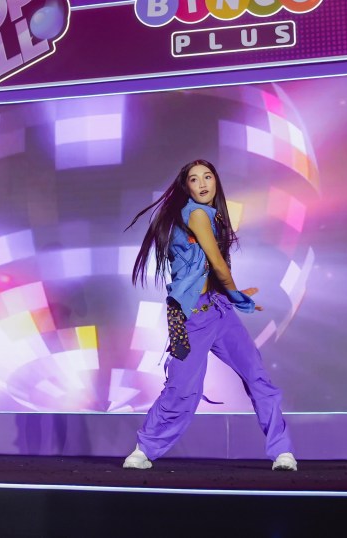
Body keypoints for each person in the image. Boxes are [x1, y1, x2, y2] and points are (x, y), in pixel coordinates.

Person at [122, 159, 297, 471]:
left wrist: (229, 296)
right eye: (194, 179)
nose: (202, 184)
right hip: (188, 317)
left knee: (257, 376)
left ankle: (282, 452)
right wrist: (237, 294)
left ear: (216, 181)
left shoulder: (212, 216)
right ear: (186, 186)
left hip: (218, 309)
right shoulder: (197, 214)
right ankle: (143, 449)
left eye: (207, 177)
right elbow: (217, 264)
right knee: (182, 390)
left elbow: (210, 270)